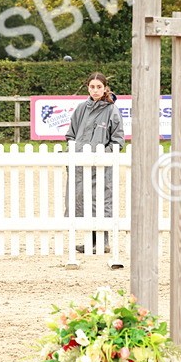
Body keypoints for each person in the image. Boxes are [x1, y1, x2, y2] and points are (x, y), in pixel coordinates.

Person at [65, 72, 126, 254]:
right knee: (81, 200)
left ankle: (103, 240)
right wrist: (73, 152)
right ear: (88, 88)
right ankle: (90, 240)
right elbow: (71, 135)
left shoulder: (112, 111)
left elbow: (118, 140)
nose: (95, 90)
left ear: (105, 88)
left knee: (100, 200)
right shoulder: (81, 109)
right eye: (92, 87)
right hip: (80, 164)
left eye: (99, 87)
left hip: (101, 165)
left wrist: (103, 155)